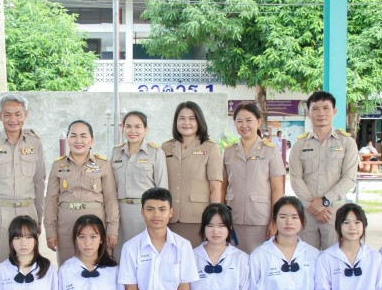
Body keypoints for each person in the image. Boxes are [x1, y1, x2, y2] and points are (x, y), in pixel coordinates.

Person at [0, 93, 46, 265]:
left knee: (27, 264)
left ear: (25, 115)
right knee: (0, 264)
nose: (13, 119)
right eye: (7, 114)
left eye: (18, 114)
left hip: (28, 212)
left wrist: (38, 218)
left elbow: (39, 182)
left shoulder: (35, 143)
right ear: (0, 116)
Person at [288, 91, 358, 251]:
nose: (321, 113)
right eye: (315, 108)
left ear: (334, 112)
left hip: (334, 212)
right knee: (307, 258)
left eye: (326, 108)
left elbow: (349, 178)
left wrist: (325, 201)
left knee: (333, 257)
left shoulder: (347, 142)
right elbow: (295, 178)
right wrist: (312, 206)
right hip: (307, 212)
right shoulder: (299, 145)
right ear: (308, 113)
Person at [45, 120, 119, 265]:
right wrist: (50, 231)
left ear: (92, 140)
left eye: (83, 136)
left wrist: (112, 229)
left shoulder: (103, 164)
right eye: (73, 136)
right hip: (66, 226)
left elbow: (110, 199)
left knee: (98, 267)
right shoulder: (58, 165)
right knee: (68, 267)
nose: (78, 141)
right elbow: (51, 200)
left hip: (96, 226)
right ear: (67, 139)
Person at [222, 103, 285, 254]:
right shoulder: (229, 151)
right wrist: (221, 218)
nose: (244, 125)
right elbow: (223, 186)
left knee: (260, 260)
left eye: (249, 120)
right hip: (233, 217)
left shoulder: (270, 150)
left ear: (259, 122)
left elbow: (277, 188)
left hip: (260, 219)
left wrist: (274, 220)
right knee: (235, 261)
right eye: (239, 121)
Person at [162, 102, 222, 247]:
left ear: (199, 121)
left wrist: (213, 219)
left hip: (198, 217)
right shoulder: (166, 147)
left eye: (192, 118)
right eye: (182, 118)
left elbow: (215, 188)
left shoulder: (210, 147)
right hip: (169, 217)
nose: (186, 122)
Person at [111, 111, 168, 259]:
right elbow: (111, 187)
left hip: (145, 213)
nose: (133, 131)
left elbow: (162, 189)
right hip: (120, 214)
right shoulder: (116, 152)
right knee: (121, 255)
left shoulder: (155, 152)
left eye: (137, 127)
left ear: (145, 129)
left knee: (145, 255)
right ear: (122, 128)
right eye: (128, 126)